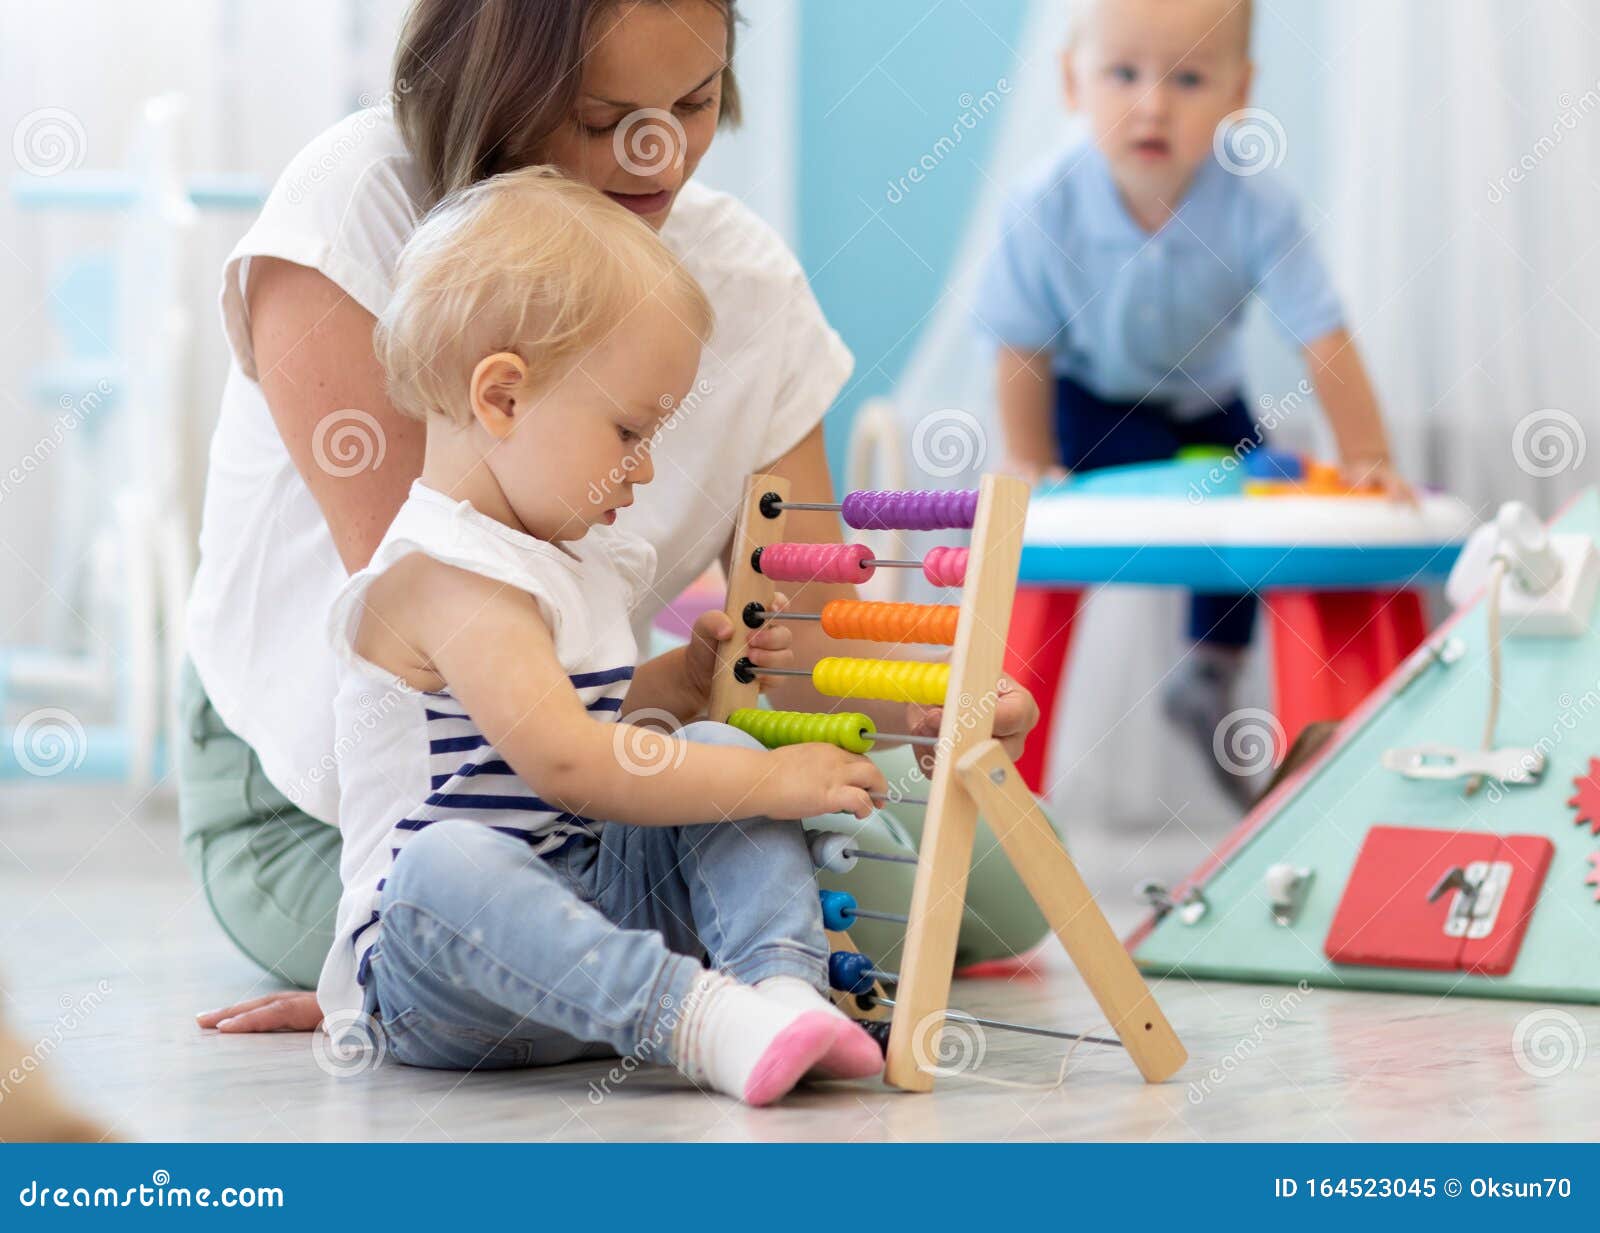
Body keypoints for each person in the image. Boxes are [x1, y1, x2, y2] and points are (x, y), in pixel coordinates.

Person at [185, 0, 1047, 1036]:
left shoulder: (740, 282)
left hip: (594, 772)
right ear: (495, 90)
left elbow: (795, 651)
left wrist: (915, 704)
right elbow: (475, 691)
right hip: (354, 798)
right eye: (601, 120)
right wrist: (375, 985)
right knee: (480, 883)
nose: (658, 153)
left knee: (998, 882)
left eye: (691, 102)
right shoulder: (362, 203)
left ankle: (734, 986)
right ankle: (637, 987)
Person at [320, 166, 887, 1103]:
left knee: (707, 740)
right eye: (629, 430)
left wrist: (684, 680)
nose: (647, 465)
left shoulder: (569, 554)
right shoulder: (443, 573)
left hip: (582, 929)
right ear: (502, 399)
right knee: (447, 861)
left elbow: (604, 718)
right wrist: (774, 775)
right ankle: (699, 1019)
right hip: (445, 978)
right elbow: (570, 762)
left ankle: (782, 990)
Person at [973, 0, 1408, 798]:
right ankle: (1012, 717)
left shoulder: (1258, 204)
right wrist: (1032, 457)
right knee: (1058, 531)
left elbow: (1324, 336)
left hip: (1210, 404)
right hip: (1092, 401)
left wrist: (1370, 458)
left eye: (1190, 79)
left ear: (1239, 92)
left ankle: (1211, 667)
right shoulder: (1044, 201)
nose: (1153, 105)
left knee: (1252, 509)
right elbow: (1020, 345)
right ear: (1074, 81)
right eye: (1124, 75)